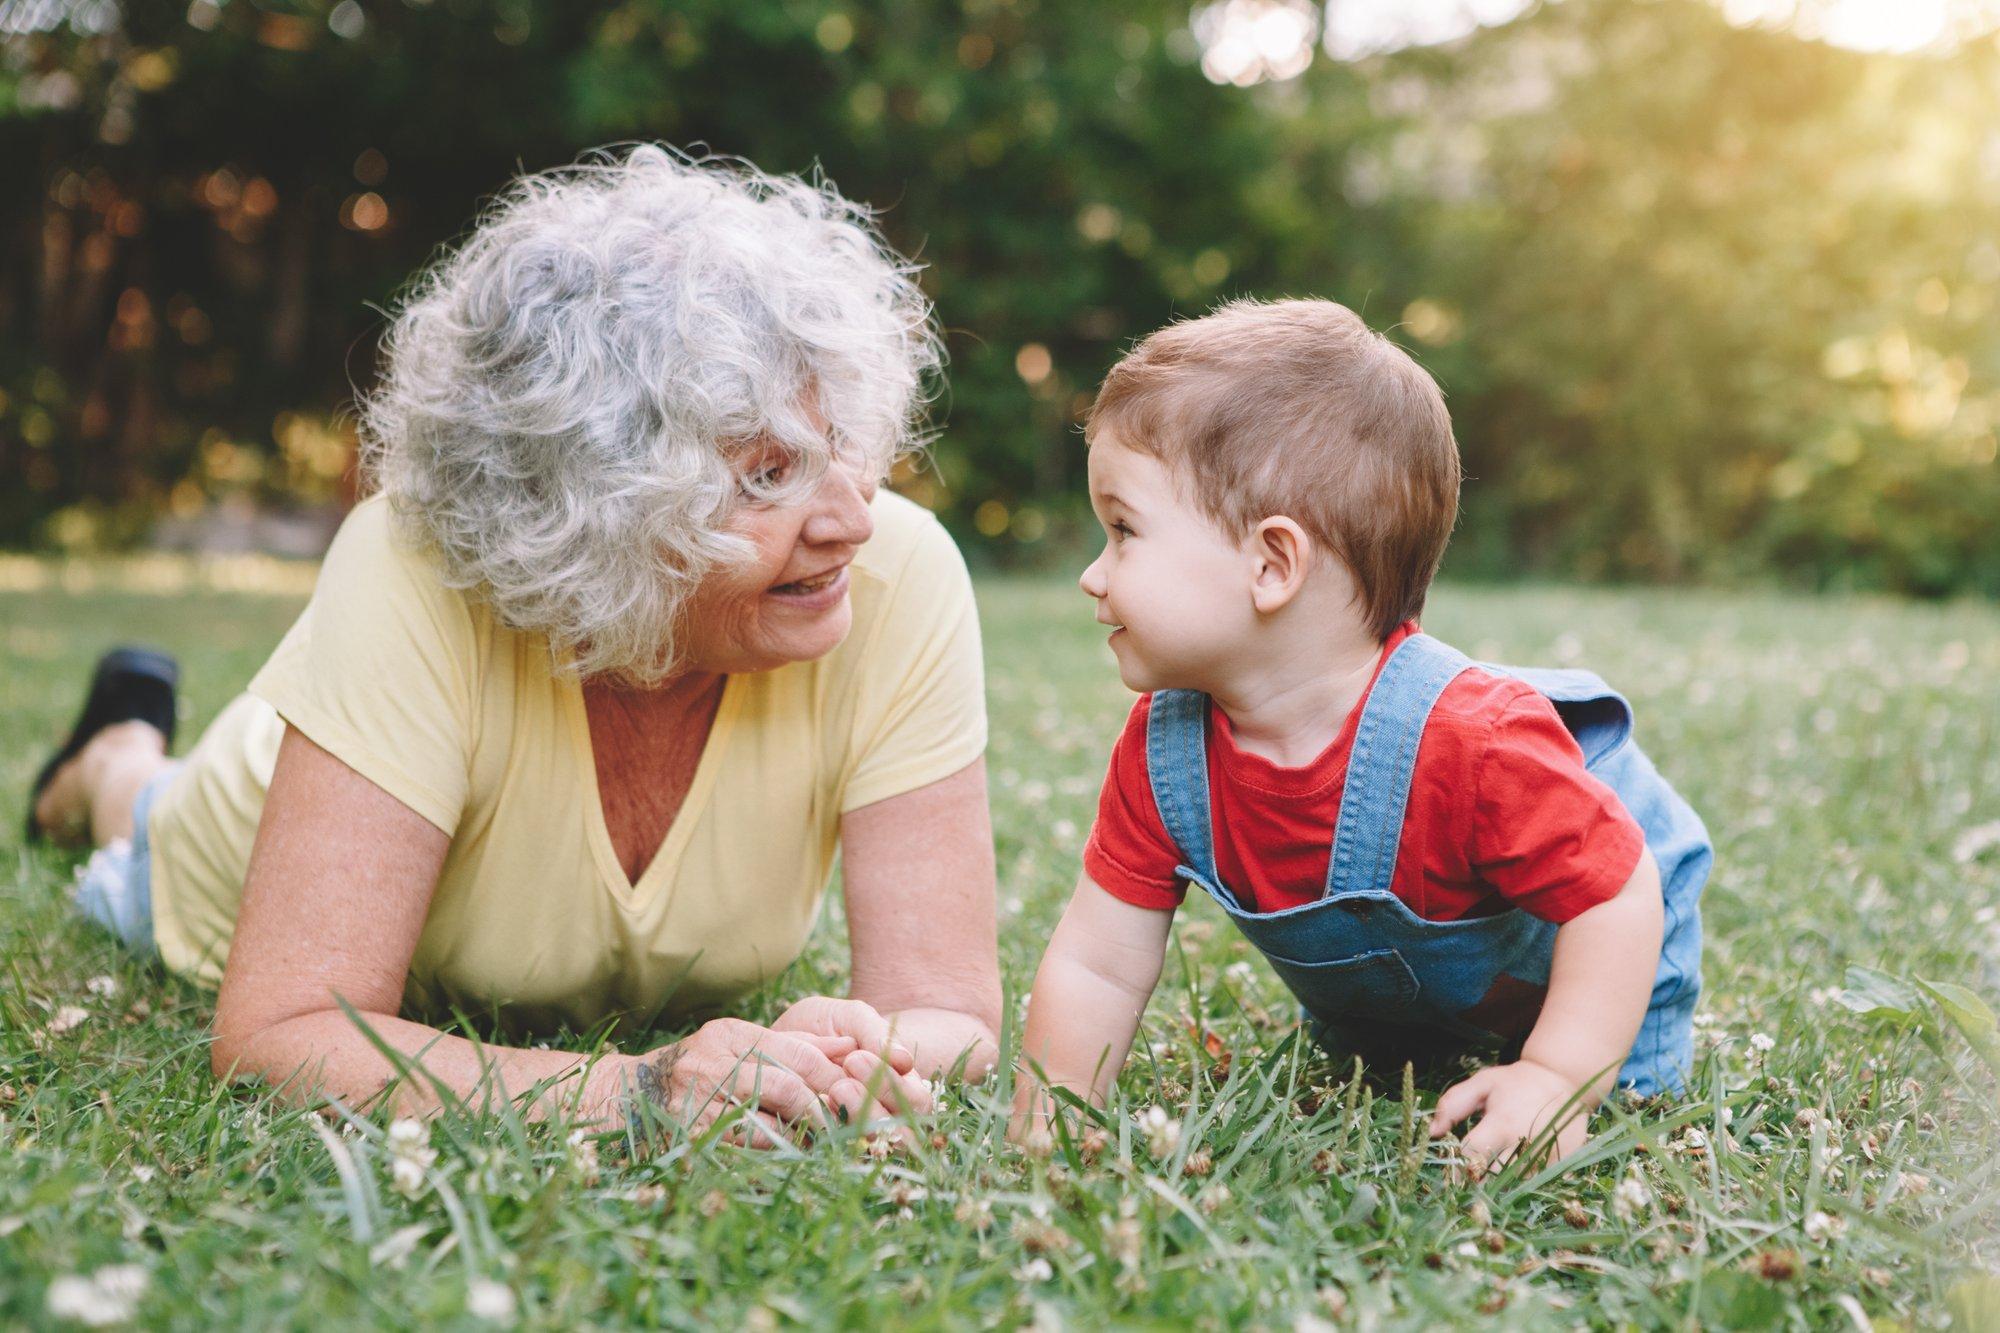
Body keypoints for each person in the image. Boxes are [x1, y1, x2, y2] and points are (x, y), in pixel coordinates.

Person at [26, 146, 1002, 1143]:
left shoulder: (895, 579)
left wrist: (851, 1058)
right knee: (141, 816)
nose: (852, 519)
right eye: (766, 474)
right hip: (212, 842)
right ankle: (113, 757)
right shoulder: (410, 567)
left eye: (837, 444)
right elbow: (283, 1032)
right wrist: (638, 1089)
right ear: (597, 505)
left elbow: (949, 1011)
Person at [1009, 299, 1710, 1171]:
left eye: (1123, 532)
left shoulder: (1473, 742)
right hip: (1401, 1002)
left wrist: (1559, 1071)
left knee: (1593, 1121)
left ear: (1271, 565)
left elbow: (1614, 892)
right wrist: (1051, 1123)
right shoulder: (1166, 753)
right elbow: (1097, 963)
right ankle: (1409, 1034)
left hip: (1607, 953)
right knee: (1378, 1079)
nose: (1091, 573)